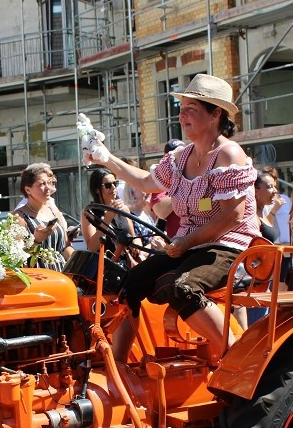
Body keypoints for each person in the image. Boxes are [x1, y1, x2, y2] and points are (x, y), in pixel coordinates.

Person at [83, 74, 260, 362]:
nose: (182, 114)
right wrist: (106, 158)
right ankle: (117, 366)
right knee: (130, 283)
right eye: (182, 107)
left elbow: (233, 216)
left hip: (230, 247)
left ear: (215, 114)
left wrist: (186, 240)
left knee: (184, 287)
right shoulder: (180, 157)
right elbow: (145, 181)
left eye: (192, 108)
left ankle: (238, 360)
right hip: (190, 246)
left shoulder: (229, 154)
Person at [14, 162, 70, 271]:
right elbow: (17, 260)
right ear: (28, 190)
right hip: (38, 280)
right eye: (41, 184)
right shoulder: (19, 217)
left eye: (48, 183)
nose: (48, 188)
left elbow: (66, 247)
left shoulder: (54, 211)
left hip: (61, 278)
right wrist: (36, 241)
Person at [81, 167, 137, 266]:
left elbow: (133, 238)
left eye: (115, 184)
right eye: (108, 185)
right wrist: (108, 217)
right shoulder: (89, 212)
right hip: (104, 268)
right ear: (97, 190)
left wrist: (136, 247)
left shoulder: (123, 209)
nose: (113, 188)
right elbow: (92, 247)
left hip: (126, 265)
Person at [151, 138, 186, 235]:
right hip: (176, 241)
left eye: (182, 153)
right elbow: (160, 211)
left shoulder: (195, 172)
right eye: (173, 155)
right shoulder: (161, 178)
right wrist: (183, 186)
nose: (179, 158)